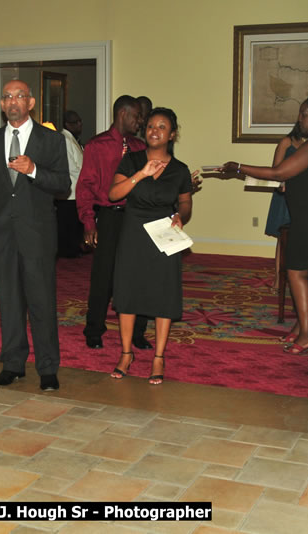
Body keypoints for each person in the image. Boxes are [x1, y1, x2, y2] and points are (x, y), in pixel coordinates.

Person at [218, 94, 308, 355]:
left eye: (303, 114)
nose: (299, 119)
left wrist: (238, 168)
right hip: (305, 216)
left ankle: (307, 334)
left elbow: (279, 172)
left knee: (298, 272)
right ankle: (303, 327)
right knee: (299, 271)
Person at [0, 79, 70, 391]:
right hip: (1, 236)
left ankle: (47, 368)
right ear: (2, 104)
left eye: (20, 96)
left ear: (31, 103)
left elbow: (63, 185)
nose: (13, 101)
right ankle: (13, 364)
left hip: (37, 235)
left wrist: (33, 170)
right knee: (9, 301)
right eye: (7, 97)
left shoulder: (51, 141)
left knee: (41, 302)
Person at [108, 107, 193, 385]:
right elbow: (114, 194)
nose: (154, 131)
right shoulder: (131, 160)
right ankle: (126, 353)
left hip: (163, 235)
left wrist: (181, 216)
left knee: (163, 294)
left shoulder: (180, 170)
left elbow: (185, 202)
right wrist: (141, 174)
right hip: (133, 232)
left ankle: (159, 357)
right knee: (127, 292)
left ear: (172, 134)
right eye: (150, 126)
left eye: (162, 127)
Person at [76, 96, 152, 350]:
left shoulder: (140, 147)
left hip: (136, 218)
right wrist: (88, 222)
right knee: (103, 277)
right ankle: (94, 329)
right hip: (108, 217)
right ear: (123, 114)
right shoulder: (96, 145)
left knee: (139, 275)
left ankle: (138, 332)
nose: (140, 121)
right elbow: (85, 186)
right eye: (137, 116)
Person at [265, 120, 306, 296]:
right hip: (285, 195)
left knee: (302, 238)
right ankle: (277, 280)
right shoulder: (286, 142)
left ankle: (301, 279)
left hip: (305, 196)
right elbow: (276, 169)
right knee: (283, 239)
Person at [55, 110, 85, 258]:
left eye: (80, 121)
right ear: (67, 124)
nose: (79, 125)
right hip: (70, 189)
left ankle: (73, 247)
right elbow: (70, 166)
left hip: (76, 189)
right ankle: (67, 250)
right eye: (75, 122)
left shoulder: (73, 138)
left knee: (74, 222)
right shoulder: (64, 139)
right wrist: (86, 175)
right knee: (67, 223)